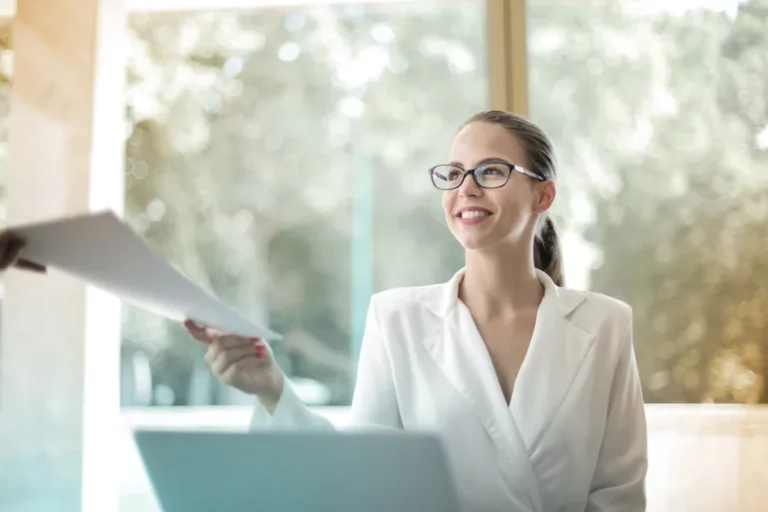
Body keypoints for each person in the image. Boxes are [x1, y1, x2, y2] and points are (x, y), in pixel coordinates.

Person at [1, 110, 647, 511]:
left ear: (544, 195)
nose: (465, 188)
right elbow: (362, 481)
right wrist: (271, 388)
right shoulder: (397, 319)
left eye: (491, 170)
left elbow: (618, 496)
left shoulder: (603, 325)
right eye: (452, 173)